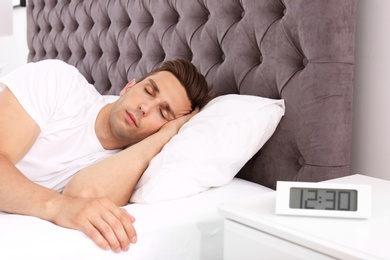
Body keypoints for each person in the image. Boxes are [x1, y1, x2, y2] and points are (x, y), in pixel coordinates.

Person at [0, 59, 212, 253]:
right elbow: (68, 205)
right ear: (129, 86)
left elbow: (82, 198)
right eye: (148, 91)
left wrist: (165, 135)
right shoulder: (58, 81)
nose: (145, 107)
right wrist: (58, 207)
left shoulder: (125, 166)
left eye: (163, 113)